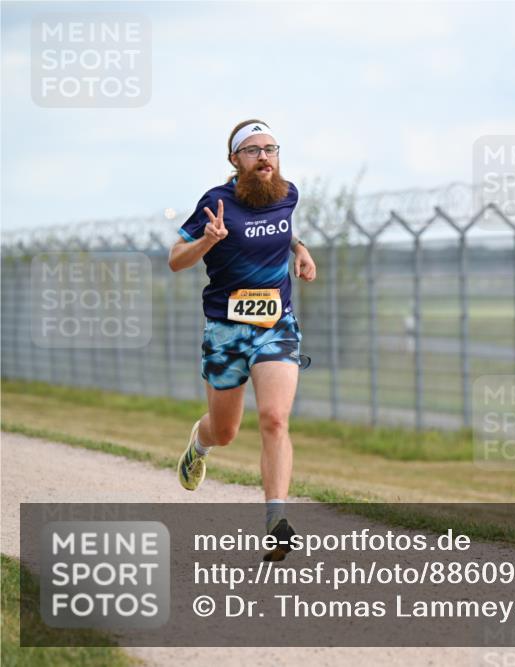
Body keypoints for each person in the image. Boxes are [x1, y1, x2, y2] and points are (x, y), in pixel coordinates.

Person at [168, 119, 317, 561]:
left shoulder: (287, 194)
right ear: (235, 160)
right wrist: (206, 242)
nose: (264, 156)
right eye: (253, 150)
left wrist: (301, 250)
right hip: (226, 330)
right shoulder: (216, 202)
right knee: (226, 431)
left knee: (274, 418)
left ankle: (276, 520)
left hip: (276, 324)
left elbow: (282, 229)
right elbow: (176, 260)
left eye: (271, 148)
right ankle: (199, 444)